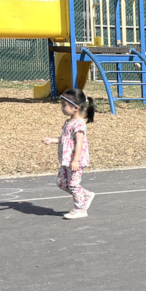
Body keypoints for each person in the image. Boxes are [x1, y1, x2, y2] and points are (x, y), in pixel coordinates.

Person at [42, 89, 96, 219]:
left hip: (75, 161)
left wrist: (75, 160)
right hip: (66, 160)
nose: (62, 108)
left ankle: (80, 209)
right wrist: (52, 140)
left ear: (75, 108)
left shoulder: (79, 124)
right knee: (62, 183)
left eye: (64, 105)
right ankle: (86, 195)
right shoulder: (68, 122)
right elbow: (65, 139)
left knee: (73, 185)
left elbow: (79, 142)